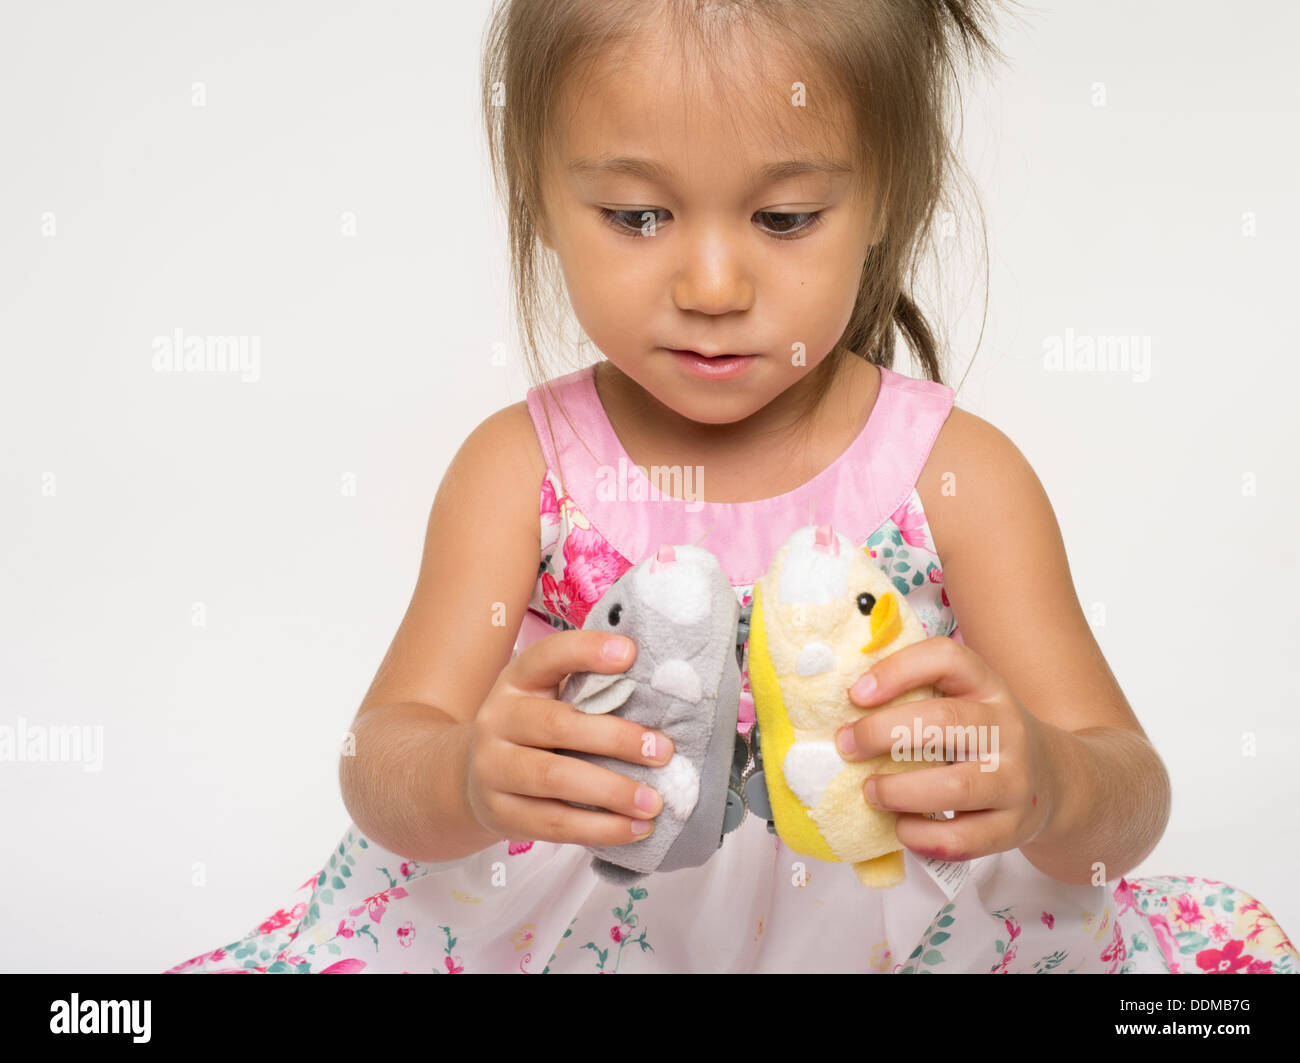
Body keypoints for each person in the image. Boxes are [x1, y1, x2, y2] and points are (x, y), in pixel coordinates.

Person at [166, 0, 1298, 974]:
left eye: (785, 218)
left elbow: (1126, 789)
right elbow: (382, 763)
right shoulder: (520, 470)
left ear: (886, 205)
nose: (712, 283)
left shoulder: (958, 475)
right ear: (537, 207)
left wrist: (1047, 784)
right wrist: (466, 772)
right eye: (637, 216)